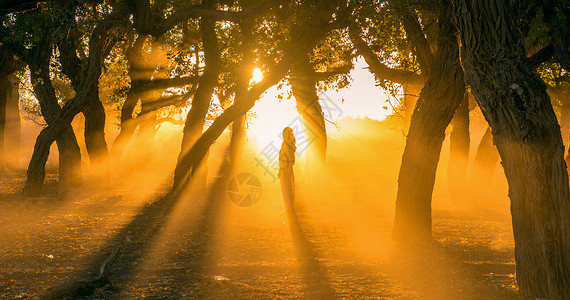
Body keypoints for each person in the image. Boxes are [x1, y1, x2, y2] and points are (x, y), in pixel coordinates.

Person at [278, 127, 296, 209]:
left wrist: (282, 168)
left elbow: (285, 157)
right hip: (286, 167)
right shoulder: (288, 143)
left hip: (286, 167)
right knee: (288, 185)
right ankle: (289, 204)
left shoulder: (287, 144)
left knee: (287, 185)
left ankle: (289, 205)